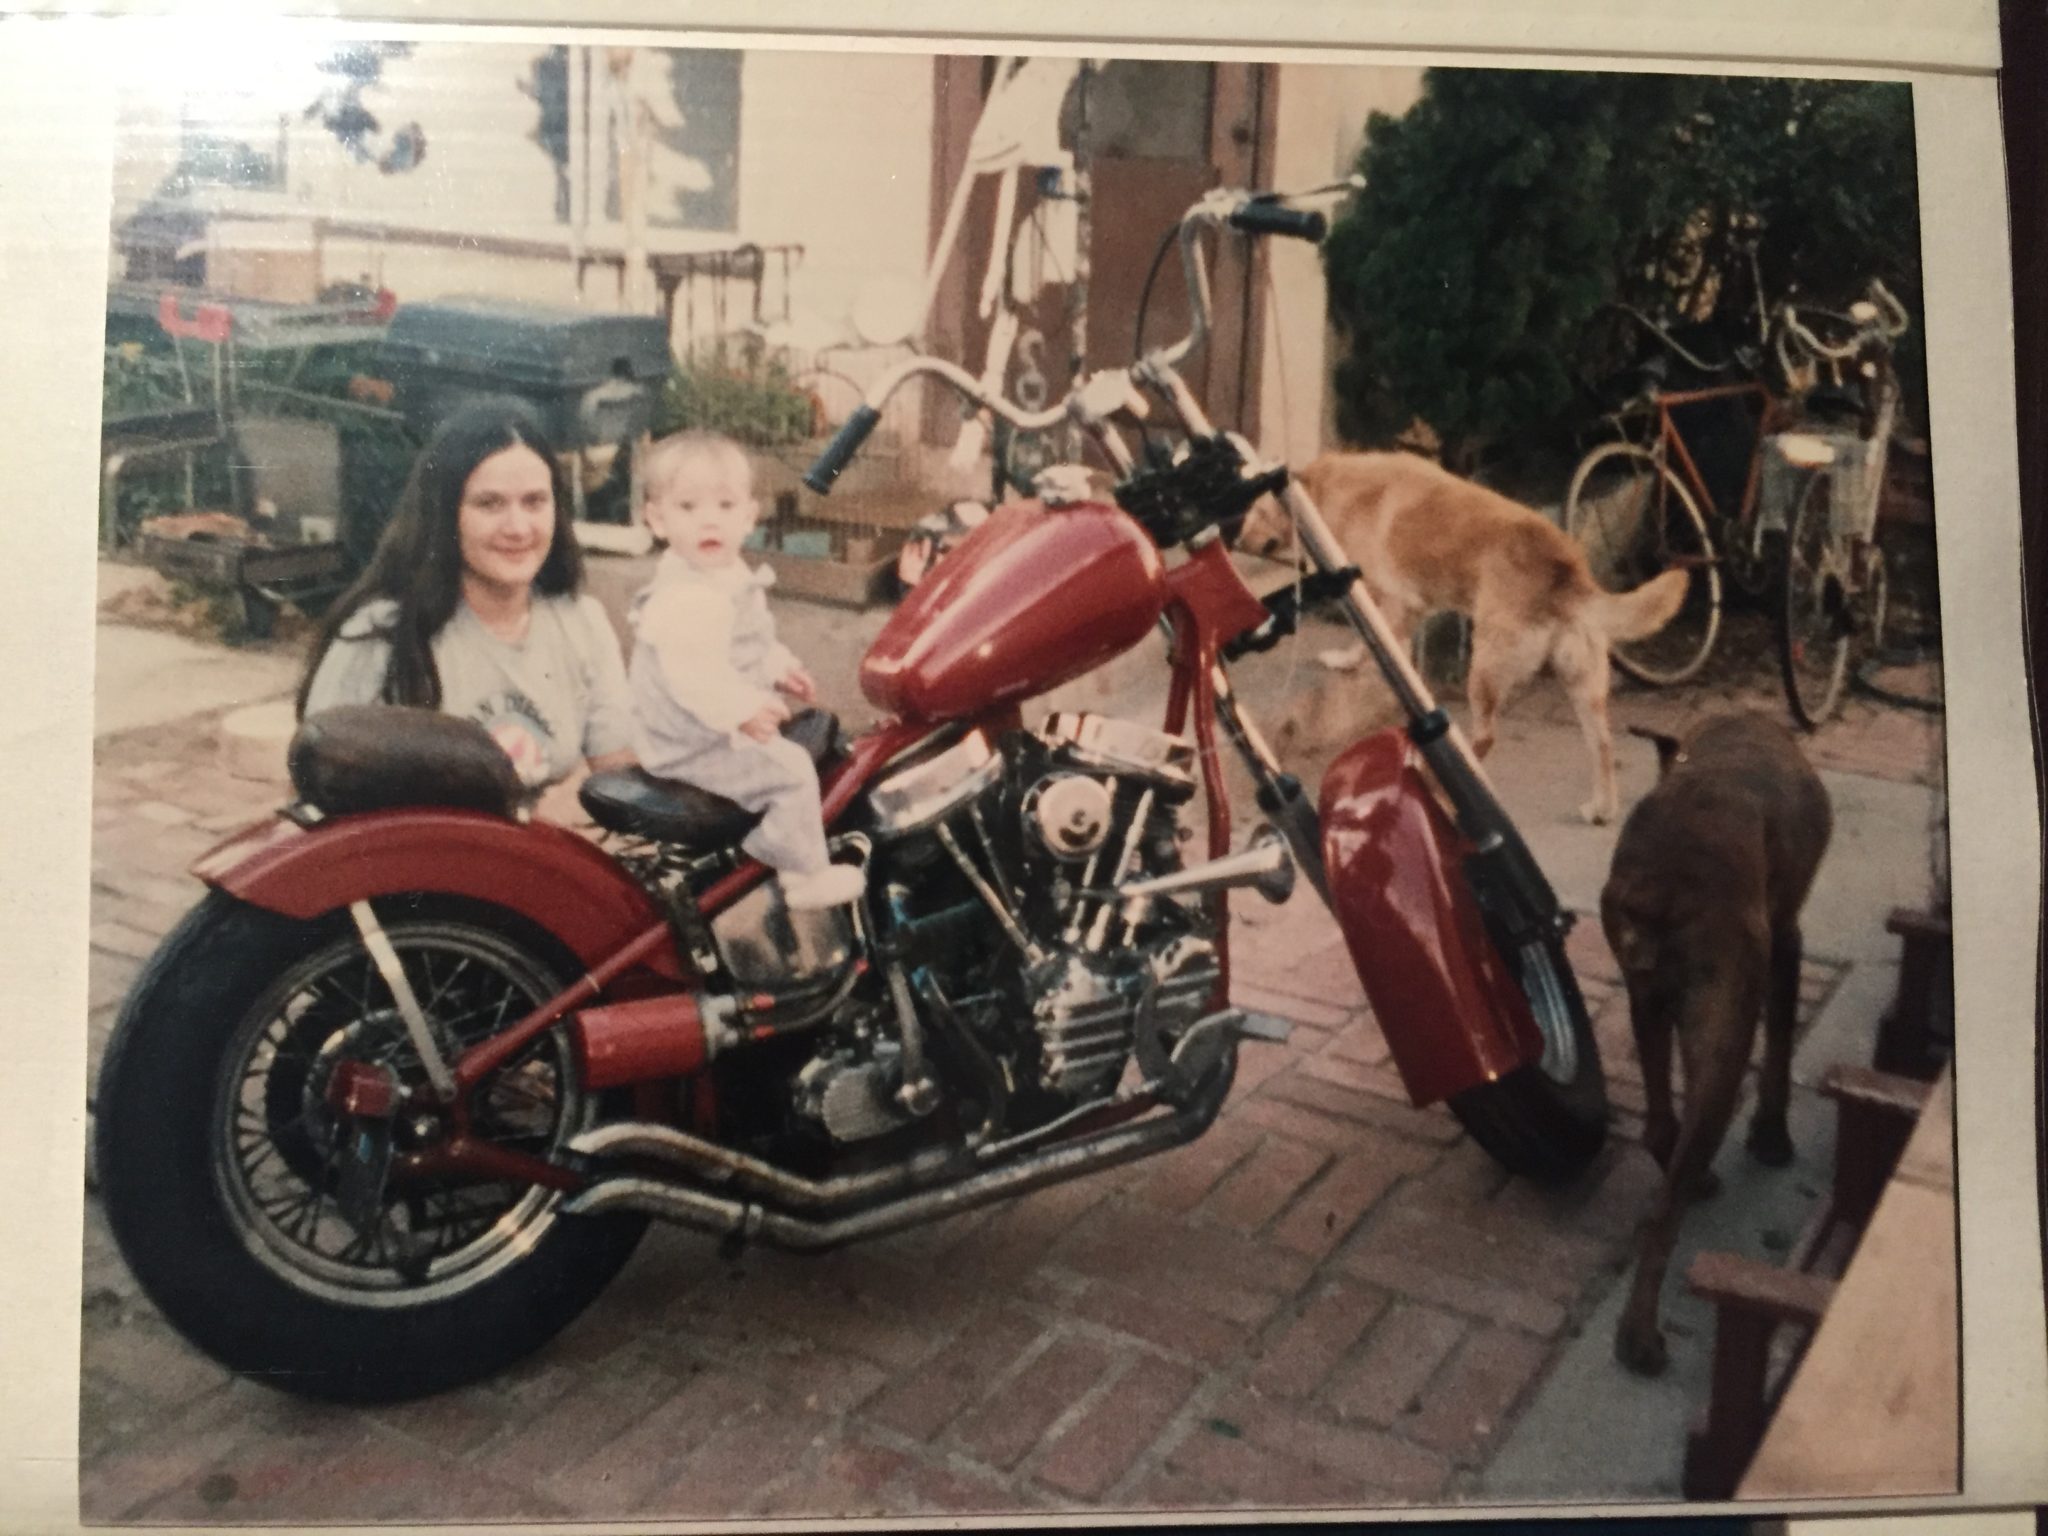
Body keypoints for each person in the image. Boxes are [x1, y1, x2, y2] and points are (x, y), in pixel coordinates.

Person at [299, 398, 636, 810]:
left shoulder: (584, 622)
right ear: (446, 514)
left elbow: (617, 778)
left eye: (534, 502)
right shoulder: (380, 632)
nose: (518, 527)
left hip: (542, 864)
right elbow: (324, 796)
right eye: (489, 504)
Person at [629, 430, 862, 910]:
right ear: (657, 519)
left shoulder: (725, 576)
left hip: (704, 727)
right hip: (689, 743)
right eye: (688, 507)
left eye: (725, 505)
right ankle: (797, 871)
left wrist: (780, 668)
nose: (709, 520)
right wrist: (741, 711)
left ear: (750, 516)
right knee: (794, 770)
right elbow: (693, 677)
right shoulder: (686, 597)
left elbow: (748, 643)